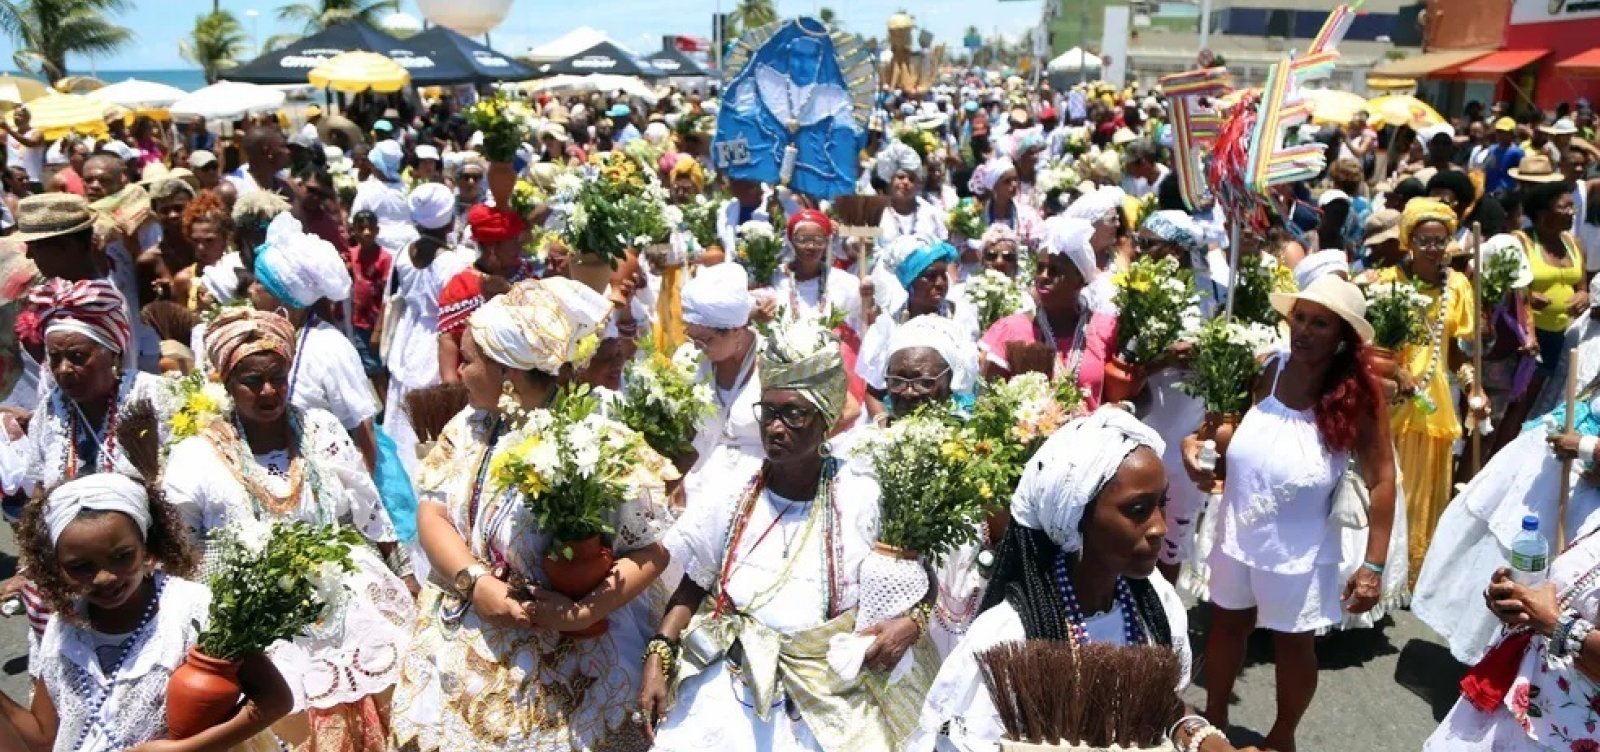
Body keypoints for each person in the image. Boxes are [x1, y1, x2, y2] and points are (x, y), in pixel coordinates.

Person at [390, 278, 675, 752]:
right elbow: (433, 514)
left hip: (578, 661)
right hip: (471, 636)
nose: (458, 373)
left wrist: (586, 610)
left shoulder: (595, 440)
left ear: (510, 376)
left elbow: (652, 551)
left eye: (469, 361)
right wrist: (477, 583)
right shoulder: (468, 427)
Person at [643, 319, 936, 751]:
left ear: (827, 419)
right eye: (770, 411)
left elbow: (922, 587)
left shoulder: (863, 497)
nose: (776, 427)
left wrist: (909, 626)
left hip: (828, 699)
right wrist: (660, 651)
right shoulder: (733, 494)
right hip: (726, 691)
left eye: (794, 414)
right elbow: (694, 585)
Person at [159, 308, 414, 752]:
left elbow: (368, 510)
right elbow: (179, 551)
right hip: (259, 627)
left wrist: (406, 578)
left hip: (350, 608)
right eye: (251, 381)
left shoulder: (320, 430)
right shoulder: (195, 455)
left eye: (277, 376)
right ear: (224, 381)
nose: (268, 391)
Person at [912, 407, 1217, 752]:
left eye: (1162, 504)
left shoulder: (1155, 605)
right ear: (1075, 516)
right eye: (1137, 510)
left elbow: (1163, 703)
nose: (1159, 526)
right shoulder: (1009, 636)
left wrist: (1202, 737)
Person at [1183, 274, 1398, 752]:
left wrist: (1374, 565)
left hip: (1301, 547)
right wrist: (1194, 448)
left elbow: (1384, 480)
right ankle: (1214, 716)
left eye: (1319, 324)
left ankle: (1282, 738)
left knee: (1293, 643)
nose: (1302, 331)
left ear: (1342, 336)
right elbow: (1215, 430)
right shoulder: (1267, 370)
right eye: (1298, 318)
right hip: (1238, 529)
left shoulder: (1358, 399)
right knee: (1227, 624)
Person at [0, 473, 291, 752]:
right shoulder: (64, 626)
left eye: (121, 557)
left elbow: (274, 700)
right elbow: (42, 738)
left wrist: (187, 749)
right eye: (81, 567)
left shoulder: (193, 610)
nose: (105, 577)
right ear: (56, 567)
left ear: (146, 545)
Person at [1424, 515, 1600, 750]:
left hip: (1562, 729)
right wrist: (1519, 598)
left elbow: (1556, 620)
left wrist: (1555, 624)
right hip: (1518, 688)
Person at [1378, 198, 1480, 580]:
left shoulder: (1457, 286)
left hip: (1435, 404)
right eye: (1425, 240)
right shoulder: (1386, 282)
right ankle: (1381, 567)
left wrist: (1472, 387)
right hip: (1392, 402)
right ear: (1409, 240)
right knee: (1391, 485)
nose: (1434, 249)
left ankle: (1413, 573)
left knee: (1425, 496)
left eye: (1441, 241)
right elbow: (1370, 346)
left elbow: (1456, 350)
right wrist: (1396, 371)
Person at [248, 213, 379, 470]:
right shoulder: (261, 337)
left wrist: (357, 503)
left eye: (259, 284)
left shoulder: (329, 347)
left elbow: (363, 434)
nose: (251, 290)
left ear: (283, 296)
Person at [21, 279, 169, 495]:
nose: (64, 369)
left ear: (114, 355)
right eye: (54, 357)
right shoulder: (50, 411)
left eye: (77, 357)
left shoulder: (155, 396)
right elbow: (40, 494)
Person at [980, 217, 1118, 408]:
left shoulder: (1105, 328)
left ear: (1079, 280)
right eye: (1040, 268)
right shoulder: (1011, 329)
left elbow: (1132, 393)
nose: (1043, 277)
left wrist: (1123, 409)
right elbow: (987, 403)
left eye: (1054, 271)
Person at [380, 185, 470, 476]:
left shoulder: (404, 253)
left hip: (408, 335)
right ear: (449, 221)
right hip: (436, 338)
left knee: (402, 407)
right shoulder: (454, 262)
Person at [859, 236, 976, 418]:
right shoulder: (888, 327)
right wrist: (887, 428)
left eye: (943, 274)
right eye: (929, 276)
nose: (940, 283)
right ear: (910, 281)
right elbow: (874, 393)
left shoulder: (961, 317)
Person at [345, 211, 392, 391]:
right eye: (361, 228)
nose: (366, 233)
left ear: (377, 230)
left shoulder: (384, 259)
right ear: (354, 231)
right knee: (372, 367)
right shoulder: (351, 255)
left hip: (379, 322)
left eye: (370, 228)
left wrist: (378, 330)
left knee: (383, 367)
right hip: (360, 322)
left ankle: (390, 410)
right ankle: (387, 409)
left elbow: (387, 295)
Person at [876, 142, 947, 246]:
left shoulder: (930, 212)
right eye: (900, 177)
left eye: (911, 179)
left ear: (918, 184)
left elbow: (944, 247)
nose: (905, 182)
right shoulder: (876, 213)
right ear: (890, 180)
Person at [174, 192, 233, 311]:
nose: (201, 247)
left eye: (209, 241)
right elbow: (180, 327)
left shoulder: (238, 274)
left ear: (225, 238)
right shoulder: (183, 280)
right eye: (196, 240)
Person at [228, 126, 295, 202]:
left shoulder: (285, 185)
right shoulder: (234, 189)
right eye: (283, 146)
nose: (288, 152)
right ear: (269, 151)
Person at [2, 105, 46, 191]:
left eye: (20, 115)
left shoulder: (36, 132)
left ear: (28, 118)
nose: (16, 118)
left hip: (32, 180)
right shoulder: (8, 134)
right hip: (12, 180)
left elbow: (31, 143)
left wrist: (9, 130)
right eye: (15, 115)